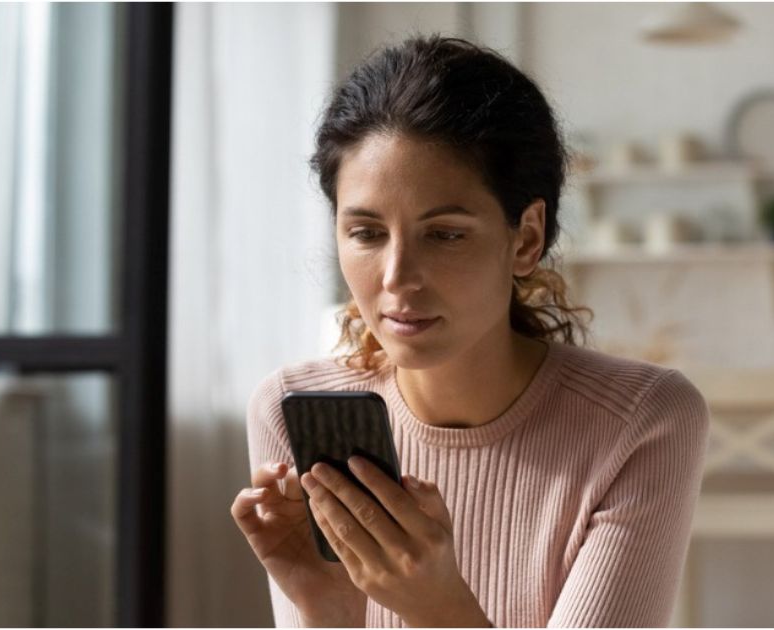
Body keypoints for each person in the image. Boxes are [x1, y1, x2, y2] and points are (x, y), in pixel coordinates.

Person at [232, 34, 710, 628]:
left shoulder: (643, 422)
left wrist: (439, 609)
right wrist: (327, 611)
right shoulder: (286, 410)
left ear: (527, 238)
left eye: (446, 233)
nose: (397, 278)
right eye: (366, 233)